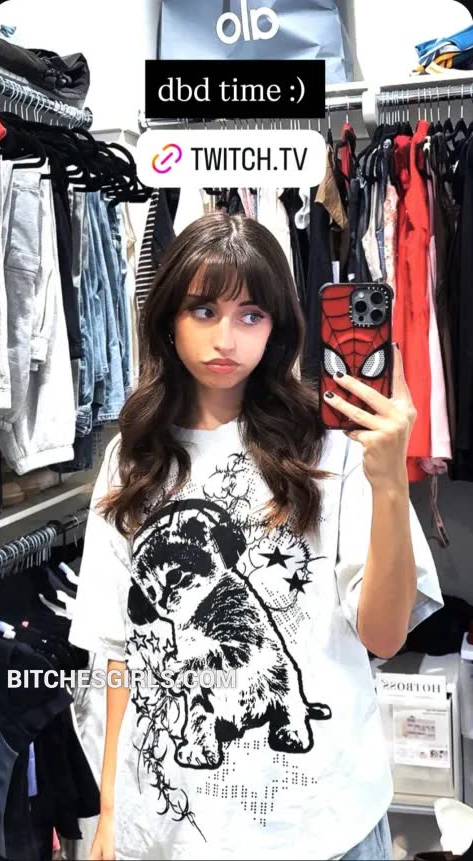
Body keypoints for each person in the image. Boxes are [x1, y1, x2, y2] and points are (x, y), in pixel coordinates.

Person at [69, 212, 443, 861]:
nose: (226, 338)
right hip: (171, 836)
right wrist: (108, 811)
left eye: (250, 314)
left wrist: (389, 483)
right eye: (204, 310)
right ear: (168, 319)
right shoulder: (134, 460)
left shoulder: (332, 446)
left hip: (324, 829)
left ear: (277, 327)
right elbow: (117, 652)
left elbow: (385, 636)